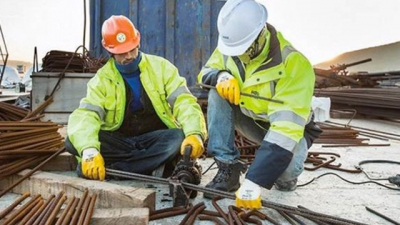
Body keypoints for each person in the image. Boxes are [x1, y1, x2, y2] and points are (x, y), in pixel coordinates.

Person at [198, 0, 321, 208]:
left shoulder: (294, 64)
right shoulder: (231, 47)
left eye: (242, 49)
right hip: (250, 117)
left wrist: (254, 181)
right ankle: (227, 168)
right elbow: (205, 73)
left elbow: (284, 131)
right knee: (216, 93)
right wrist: (220, 75)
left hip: (288, 132)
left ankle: (287, 176)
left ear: (260, 34)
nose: (236, 54)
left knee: (284, 174)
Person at [65, 15, 207, 181]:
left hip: (154, 138)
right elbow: (86, 116)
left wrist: (194, 133)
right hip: (121, 142)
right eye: (122, 53)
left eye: (132, 49)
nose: (129, 56)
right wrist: (89, 150)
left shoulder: (161, 67)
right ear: (109, 51)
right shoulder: (101, 80)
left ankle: (116, 171)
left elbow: (184, 101)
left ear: (138, 42)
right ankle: (150, 166)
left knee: (177, 137)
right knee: (71, 142)